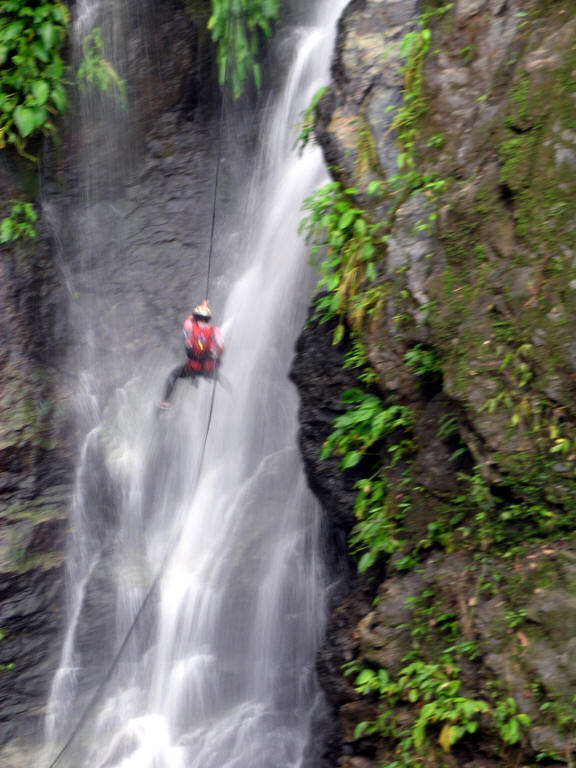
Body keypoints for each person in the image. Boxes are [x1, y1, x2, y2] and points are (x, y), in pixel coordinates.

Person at [158, 300, 224, 409]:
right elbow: (221, 348)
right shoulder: (214, 330)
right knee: (224, 382)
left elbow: (189, 319)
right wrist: (218, 361)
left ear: (195, 316)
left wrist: (203, 306)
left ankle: (165, 402)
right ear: (209, 318)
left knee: (173, 375)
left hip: (192, 368)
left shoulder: (189, 326)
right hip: (208, 369)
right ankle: (234, 398)